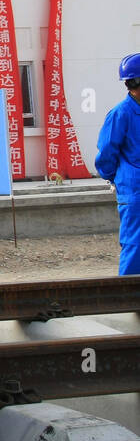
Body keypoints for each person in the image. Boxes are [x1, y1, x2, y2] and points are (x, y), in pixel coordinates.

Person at [95, 52, 140, 275]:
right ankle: (132, 297)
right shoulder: (121, 114)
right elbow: (106, 154)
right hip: (135, 190)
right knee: (135, 243)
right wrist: (114, 177)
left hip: (132, 187)